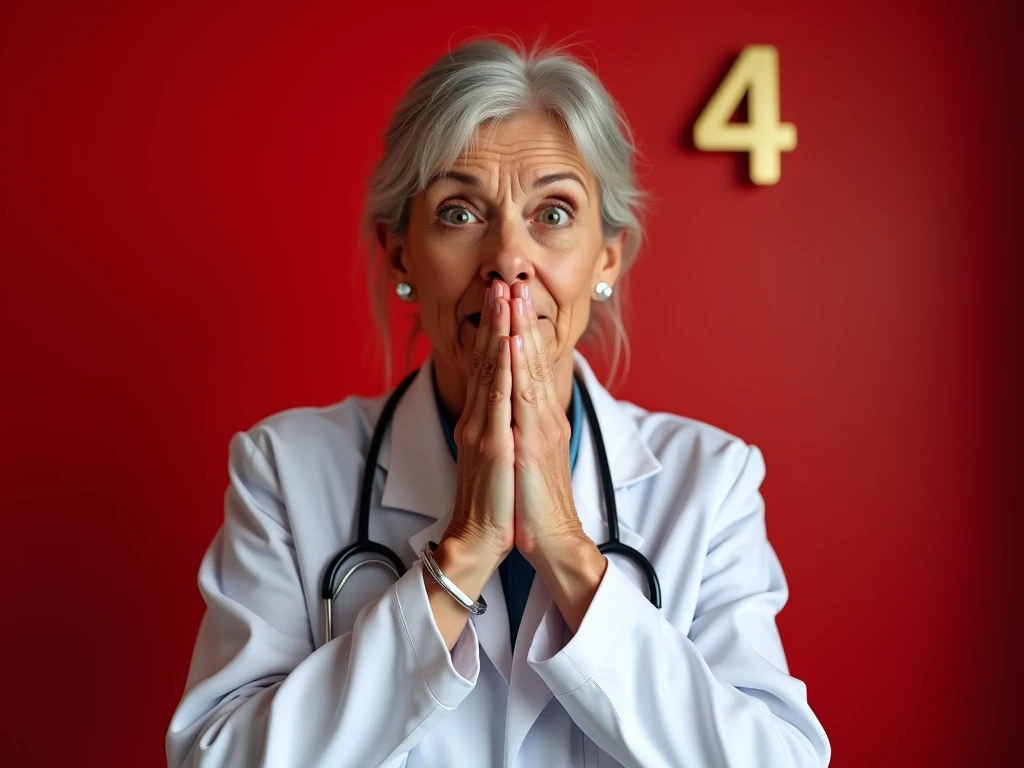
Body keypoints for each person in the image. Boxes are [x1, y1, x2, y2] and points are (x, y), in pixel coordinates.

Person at [166, 36, 830, 768]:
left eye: (553, 213)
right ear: (401, 256)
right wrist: (464, 555)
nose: (508, 258)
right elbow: (215, 759)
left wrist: (572, 557)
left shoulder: (712, 479)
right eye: (459, 213)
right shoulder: (285, 470)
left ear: (606, 258)